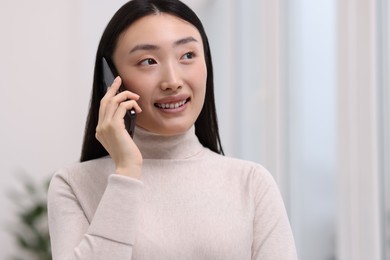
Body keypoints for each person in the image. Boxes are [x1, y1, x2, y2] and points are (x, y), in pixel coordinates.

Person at [47, 0, 298, 259]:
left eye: (187, 56)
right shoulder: (73, 185)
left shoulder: (251, 184)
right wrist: (127, 171)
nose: (173, 81)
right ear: (111, 78)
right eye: (148, 61)